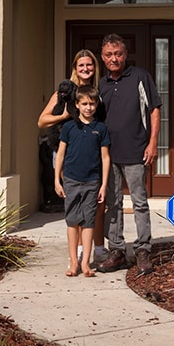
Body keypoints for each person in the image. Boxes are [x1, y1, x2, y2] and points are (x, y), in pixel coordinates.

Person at [96, 33, 161, 275]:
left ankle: (143, 250)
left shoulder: (140, 77)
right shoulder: (101, 84)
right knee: (112, 204)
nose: (114, 58)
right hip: (108, 154)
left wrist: (152, 142)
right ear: (103, 58)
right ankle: (117, 251)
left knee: (139, 203)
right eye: (109, 55)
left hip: (136, 151)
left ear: (125, 54)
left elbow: (154, 110)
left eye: (118, 54)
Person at [38, 50, 107, 264]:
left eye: (89, 65)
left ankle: (98, 248)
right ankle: (77, 254)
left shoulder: (98, 90)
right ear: (75, 68)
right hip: (66, 152)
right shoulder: (64, 92)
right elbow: (42, 121)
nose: (85, 69)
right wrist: (65, 116)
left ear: (95, 67)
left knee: (96, 206)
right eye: (81, 66)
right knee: (75, 206)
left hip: (92, 153)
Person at [54, 85, 110, 277]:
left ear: (96, 105)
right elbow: (60, 154)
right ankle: (73, 263)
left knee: (88, 222)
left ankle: (86, 263)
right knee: (72, 221)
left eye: (92, 103)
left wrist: (103, 185)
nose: (88, 107)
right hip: (71, 180)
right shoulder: (69, 127)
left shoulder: (101, 128)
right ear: (77, 105)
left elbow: (105, 158)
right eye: (84, 103)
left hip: (92, 182)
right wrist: (57, 180)